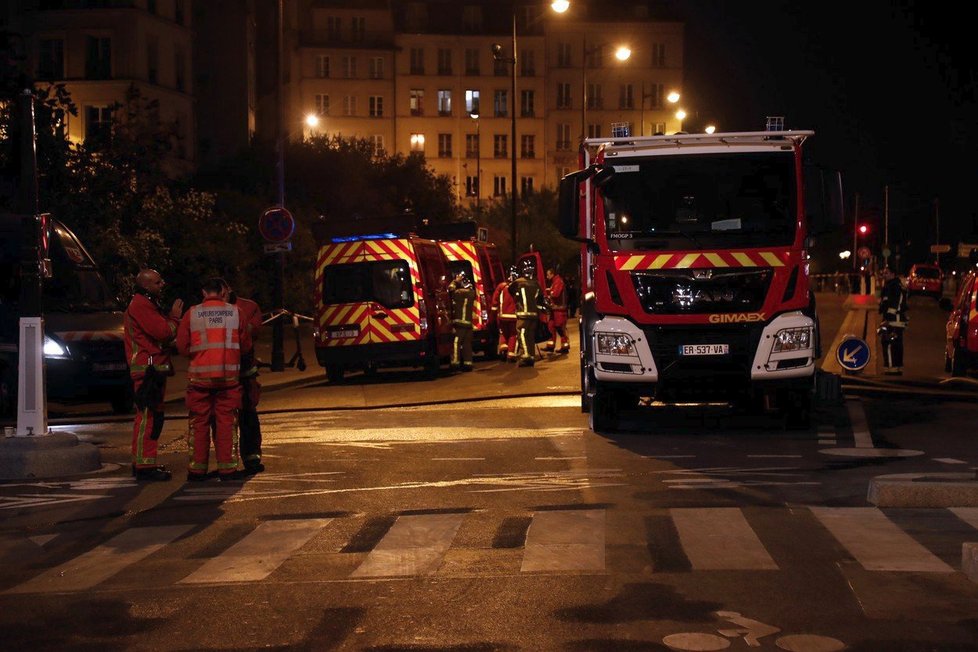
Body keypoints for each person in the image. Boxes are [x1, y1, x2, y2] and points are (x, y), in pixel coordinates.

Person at [177, 277, 251, 482]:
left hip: (199, 380)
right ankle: (227, 469)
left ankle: (197, 470)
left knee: (199, 424)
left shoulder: (191, 314)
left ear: (203, 292)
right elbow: (245, 346)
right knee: (226, 423)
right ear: (222, 291)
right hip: (228, 380)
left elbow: (182, 347)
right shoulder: (236, 312)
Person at [123, 269, 183, 482]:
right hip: (148, 370)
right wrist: (175, 318)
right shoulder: (141, 305)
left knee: (149, 417)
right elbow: (163, 332)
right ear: (146, 286)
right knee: (148, 418)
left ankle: (142, 462)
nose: (162, 284)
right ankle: (144, 466)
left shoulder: (146, 304)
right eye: (158, 282)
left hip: (151, 369)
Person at [227, 284, 265, 474]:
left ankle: (250, 459)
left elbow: (251, 332)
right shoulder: (245, 308)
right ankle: (228, 463)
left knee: (247, 416)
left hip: (238, 371)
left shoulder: (247, 307)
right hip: (227, 373)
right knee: (226, 420)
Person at [509, 261, 546, 367]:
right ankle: (531, 356)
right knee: (530, 336)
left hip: (523, 314)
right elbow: (540, 300)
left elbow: (510, 290)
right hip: (534, 315)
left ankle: (525, 355)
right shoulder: (536, 283)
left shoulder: (517, 282)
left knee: (522, 334)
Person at [878, 267, 908, 375]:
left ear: (893, 274)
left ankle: (891, 369)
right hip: (894, 320)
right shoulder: (892, 285)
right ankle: (897, 367)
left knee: (889, 344)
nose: (884, 275)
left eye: (886, 273)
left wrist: (888, 318)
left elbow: (897, 303)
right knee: (896, 344)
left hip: (893, 321)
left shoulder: (894, 286)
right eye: (883, 273)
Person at [448, 271, 476, 371]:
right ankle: (468, 364)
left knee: (456, 342)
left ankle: (455, 362)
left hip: (460, 322)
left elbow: (450, 288)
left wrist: (456, 281)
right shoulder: (472, 293)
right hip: (468, 322)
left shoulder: (458, 293)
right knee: (467, 344)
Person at [491, 266, 518, 361]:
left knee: (503, 332)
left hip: (503, 316)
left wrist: (493, 314)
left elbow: (494, 301)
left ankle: (503, 345)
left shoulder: (501, 286)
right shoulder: (517, 287)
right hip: (514, 316)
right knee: (513, 334)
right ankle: (511, 353)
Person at [543, 266, 570, 354]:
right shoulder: (555, 282)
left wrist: (548, 292)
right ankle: (551, 346)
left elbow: (555, 294)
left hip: (559, 310)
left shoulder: (558, 281)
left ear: (552, 274)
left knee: (560, 328)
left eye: (548, 275)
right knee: (551, 326)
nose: (547, 277)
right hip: (554, 309)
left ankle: (565, 346)